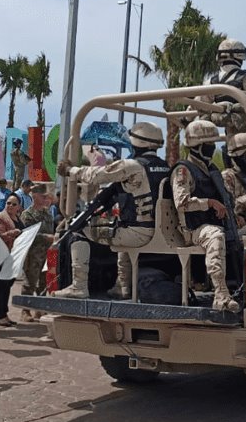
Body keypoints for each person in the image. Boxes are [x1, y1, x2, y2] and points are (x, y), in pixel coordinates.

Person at [54, 121, 170, 299]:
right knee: (121, 230)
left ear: (135, 143)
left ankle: (79, 286)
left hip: (138, 233)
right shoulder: (165, 167)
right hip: (160, 232)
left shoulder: (132, 166)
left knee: (77, 229)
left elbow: (96, 175)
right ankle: (121, 285)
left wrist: (70, 170)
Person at [168, 120, 238, 313]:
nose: (212, 148)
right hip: (192, 229)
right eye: (209, 144)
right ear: (197, 146)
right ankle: (221, 295)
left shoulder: (211, 170)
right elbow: (181, 203)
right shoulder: (183, 171)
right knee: (216, 235)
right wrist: (208, 203)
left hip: (210, 223)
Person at [18, 184, 57, 320]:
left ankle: (40, 309)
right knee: (29, 282)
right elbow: (27, 235)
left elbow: (51, 230)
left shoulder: (47, 213)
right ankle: (25, 311)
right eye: (43, 196)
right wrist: (47, 237)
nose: (46, 198)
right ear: (35, 197)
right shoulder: (27, 214)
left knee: (43, 283)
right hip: (33, 254)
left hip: (46, 254)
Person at [0, 195, 24, 327]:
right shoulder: (0, 217)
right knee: (0, 285)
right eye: (8, 203)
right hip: (0, 256)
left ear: (19, 207)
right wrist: (11, 234)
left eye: (13, 204)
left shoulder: (17, 218)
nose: (10, 205)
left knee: (7, 285)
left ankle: (4, 313)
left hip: (12, 257)